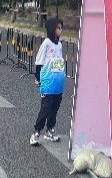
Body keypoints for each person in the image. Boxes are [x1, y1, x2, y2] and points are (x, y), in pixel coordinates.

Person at [29, 17, 65, 146]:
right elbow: (39, 63)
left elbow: (59, 63)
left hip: (57, 83)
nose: (60, 30)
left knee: (54, 107)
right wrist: (38, 79)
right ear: (52, 29)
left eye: (61, 28)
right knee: (46, 107)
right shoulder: (46, 44)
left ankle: (50, 130)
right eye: (58, 28)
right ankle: (36, 132)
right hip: (47, 82)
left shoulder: (59, 45)